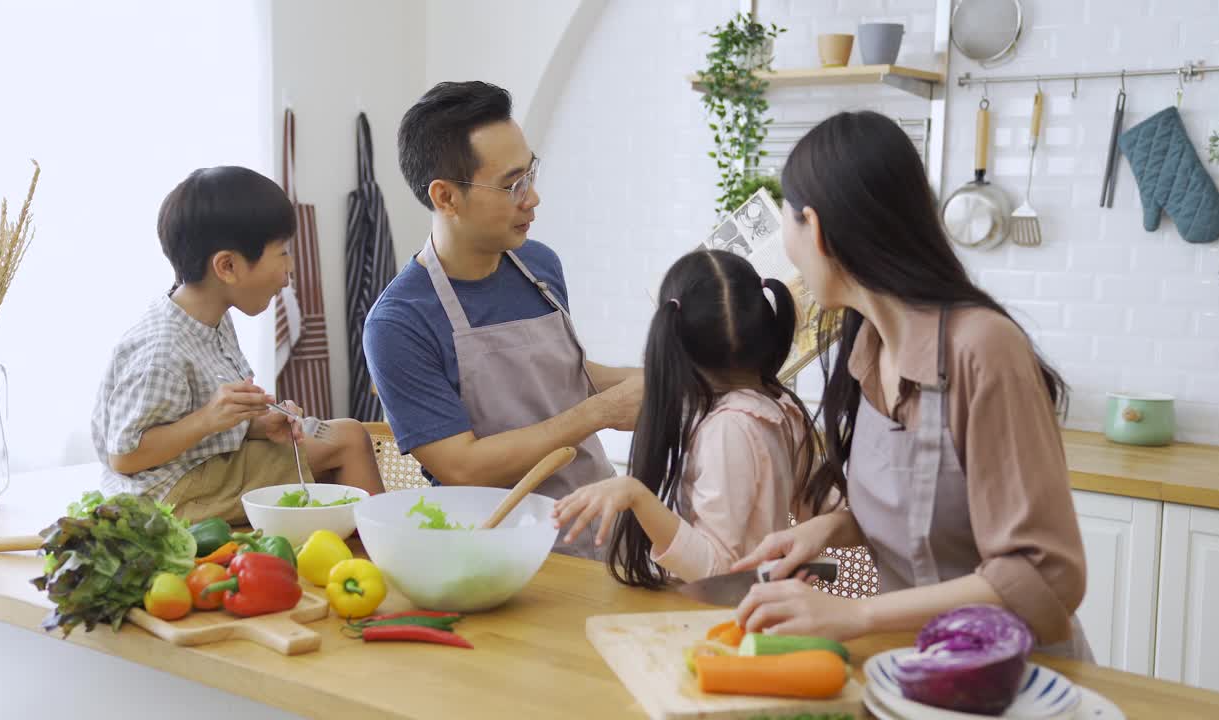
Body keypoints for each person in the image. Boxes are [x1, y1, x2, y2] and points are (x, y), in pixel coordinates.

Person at [733, 111, 1092, 660]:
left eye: (786, 222)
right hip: (912, 669)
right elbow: (932, 517)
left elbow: (1046, 575)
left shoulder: (982, 349)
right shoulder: (868, 352)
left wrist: (857, 613)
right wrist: (832, 529)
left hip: (1013, 681)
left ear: (816, 227)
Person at [363, 81, 641, 558]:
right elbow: (462, 467)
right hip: (500, 552)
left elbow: (558, 374)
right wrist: (600, 413)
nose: (532, 198)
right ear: (446, 197)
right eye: (513, 184)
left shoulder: (540, 265)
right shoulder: (399, 323)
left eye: (531, 173)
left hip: (597, 519)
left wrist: (666, 379)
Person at [92, 166, 383, 524]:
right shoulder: (161, 350)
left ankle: (349, 549)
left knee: (343, 437)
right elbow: (125, 455)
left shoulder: (209, 315)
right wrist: (208, 419)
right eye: (282, 253)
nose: (289, 270)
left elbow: (206, 420)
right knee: (350, 440)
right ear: (227, 266)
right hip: (170, 497)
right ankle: (381, 557)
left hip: (200, 468)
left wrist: (259, 423)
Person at [551, 249, 818, 587]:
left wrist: (636, 495)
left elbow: (717, 569)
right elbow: (815, 508)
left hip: (726, 620)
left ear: (672, 339)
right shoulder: (778, 404)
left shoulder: (729, 428)